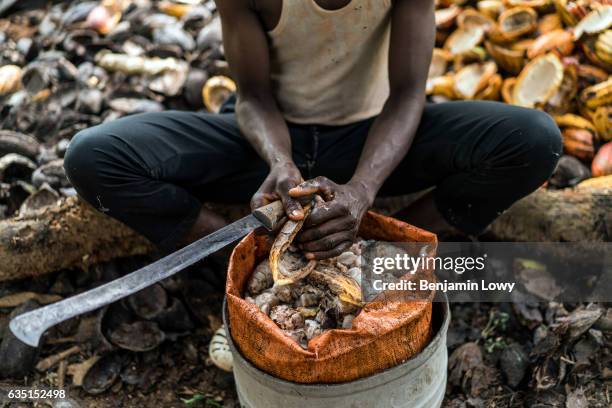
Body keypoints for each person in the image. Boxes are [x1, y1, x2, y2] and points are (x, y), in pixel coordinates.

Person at [64, 0, 562, 260]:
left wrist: (363, 193)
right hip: (267, 144)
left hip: (376, 137)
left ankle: (384, 244)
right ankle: (245, 259)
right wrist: (281, 164)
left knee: (534, 139)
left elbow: (409, 93)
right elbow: (253, 97)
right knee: (94, 155)